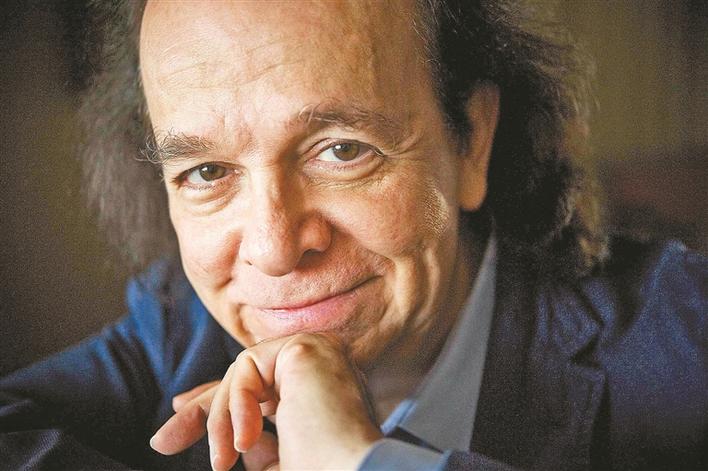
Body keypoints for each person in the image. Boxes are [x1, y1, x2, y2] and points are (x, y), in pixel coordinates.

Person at [1, 1, 706, 470]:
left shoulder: (687, 338)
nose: (275, 249)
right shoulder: (178, 331)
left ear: (472, 141)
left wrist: (358, 463)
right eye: (208, 171)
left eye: (342, 150)